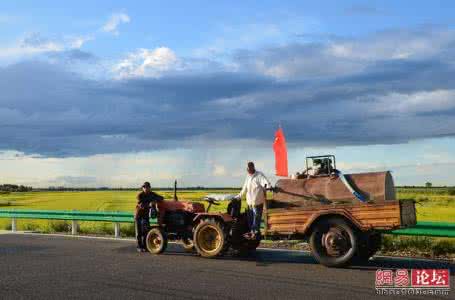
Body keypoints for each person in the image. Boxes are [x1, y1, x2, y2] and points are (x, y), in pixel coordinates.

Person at [237, 162, 272, 239]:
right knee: (250, 219)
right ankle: (251, 232)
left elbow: (265, 182)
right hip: (249, 203)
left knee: (256, 218)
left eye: (249, 169)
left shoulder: (259, 175)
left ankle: (255, 232)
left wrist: (269, 186)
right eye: (247, 169)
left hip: (257, 202)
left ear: (253, 167)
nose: (248, 170)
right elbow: (244, 188)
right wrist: (238, 196)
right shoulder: (248, 177)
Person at [135, 182, 164, 252]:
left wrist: (155, 201)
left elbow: (161, 198)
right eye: (144, 187)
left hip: (145, 215)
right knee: (139, 232)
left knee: (146, 231)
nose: (146, 188)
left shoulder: (152, 194)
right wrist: (149, 204)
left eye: (147, 187)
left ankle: (146, 246)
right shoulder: (140, 195)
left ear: (150, 188)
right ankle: (139, 246)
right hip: (138, 215)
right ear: (142, 188)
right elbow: (141, 205)